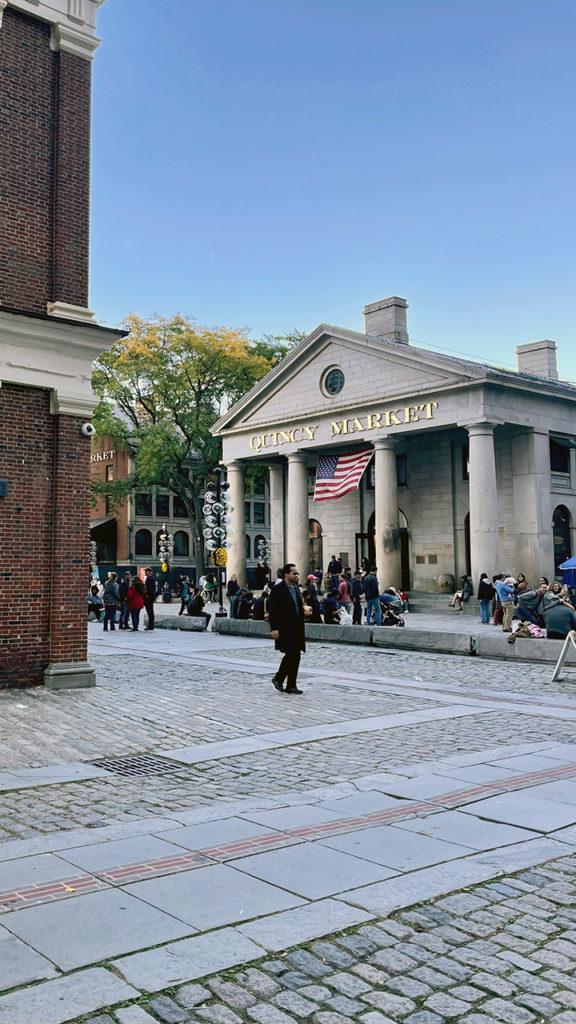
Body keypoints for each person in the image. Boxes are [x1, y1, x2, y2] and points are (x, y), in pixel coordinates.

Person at [268, 563, 311, 694]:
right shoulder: (278, 589)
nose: (297, 575)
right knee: (291, 654)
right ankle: (278, 678)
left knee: (296, 656)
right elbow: (273, 609)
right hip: (284, 627)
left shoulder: (296, 588)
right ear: (287, 574)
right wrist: (274, 628)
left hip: (297, 626)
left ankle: (291, 684)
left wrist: (304, 613)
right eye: (294, 573)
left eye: (297, 573)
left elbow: (296, 605)